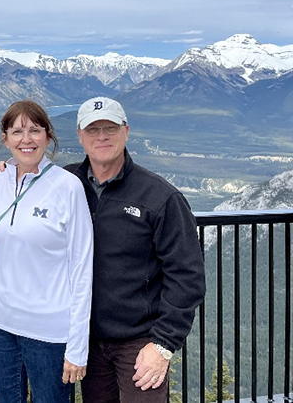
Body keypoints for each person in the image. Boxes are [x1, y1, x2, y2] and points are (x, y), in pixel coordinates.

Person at [65, 96, 205, 403]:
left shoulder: (160, 197)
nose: (102, 136)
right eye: (93, 129)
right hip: (85, 338)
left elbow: (187, 276)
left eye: (110, 128)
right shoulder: (65, 184)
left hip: (140, 344)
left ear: (126, 132)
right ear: (80, 136)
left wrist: (163, 345)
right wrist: (1, 172)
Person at [0, 100, 94, 403]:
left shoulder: (67, 187)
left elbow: (82, 269)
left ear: (48, 136)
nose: (26, 139)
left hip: (49, 331)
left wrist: (77, 346)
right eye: (17, 131)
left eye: (35, 130)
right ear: (5, 138)